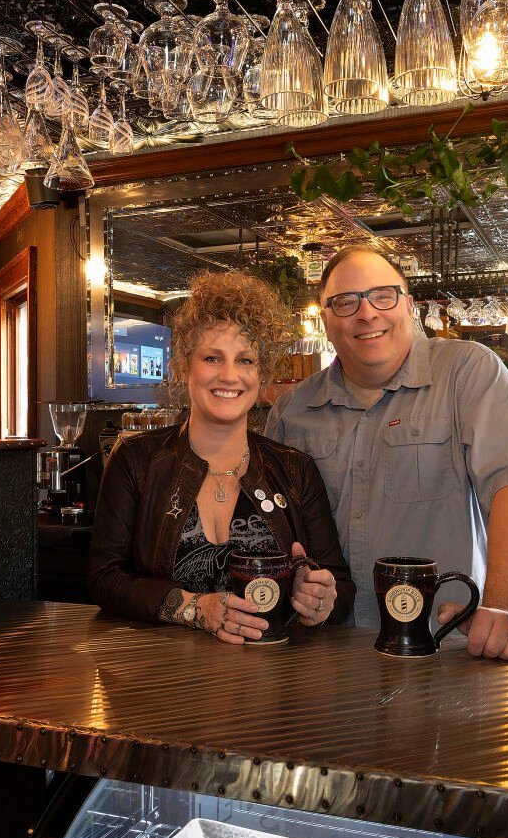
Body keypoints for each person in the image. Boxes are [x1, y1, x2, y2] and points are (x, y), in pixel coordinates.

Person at [264, 248, 508, 661]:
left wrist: (501, 608)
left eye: (382, 295)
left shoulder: (467, 372)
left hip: (444, 646)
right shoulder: (292, 410)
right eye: (345, 302)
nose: (366, 313)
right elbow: (273, 533)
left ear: (409, 305)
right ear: (327, 322)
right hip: (324, 653)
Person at [88, 272, 354, 642]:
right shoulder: (136, 460)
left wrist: (319, 599)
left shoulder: (295, 469)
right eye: (213, 358)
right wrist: (195, 609)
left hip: (272, 681)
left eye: (246, 360)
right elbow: (104, 579)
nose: (230, 376)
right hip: (162, 680)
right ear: (184, 366)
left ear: (262, 374)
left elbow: (338, 585)